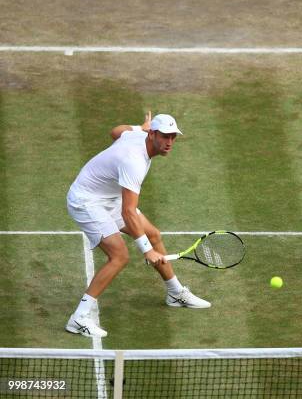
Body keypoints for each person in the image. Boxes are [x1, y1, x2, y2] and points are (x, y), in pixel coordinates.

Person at [65, 112, 210, 338]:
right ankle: (79, 318)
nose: (169, 142)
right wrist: (147, 251)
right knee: (119, 255)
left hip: (107, 197)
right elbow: (128, 211)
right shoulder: (134, 162)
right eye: (164, 136)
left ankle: (175, 293)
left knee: (153, 234)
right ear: (153, 134)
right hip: (86, 201)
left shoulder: (137, 135)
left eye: (173, 137)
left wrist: (138, 127)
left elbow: (115, 131)